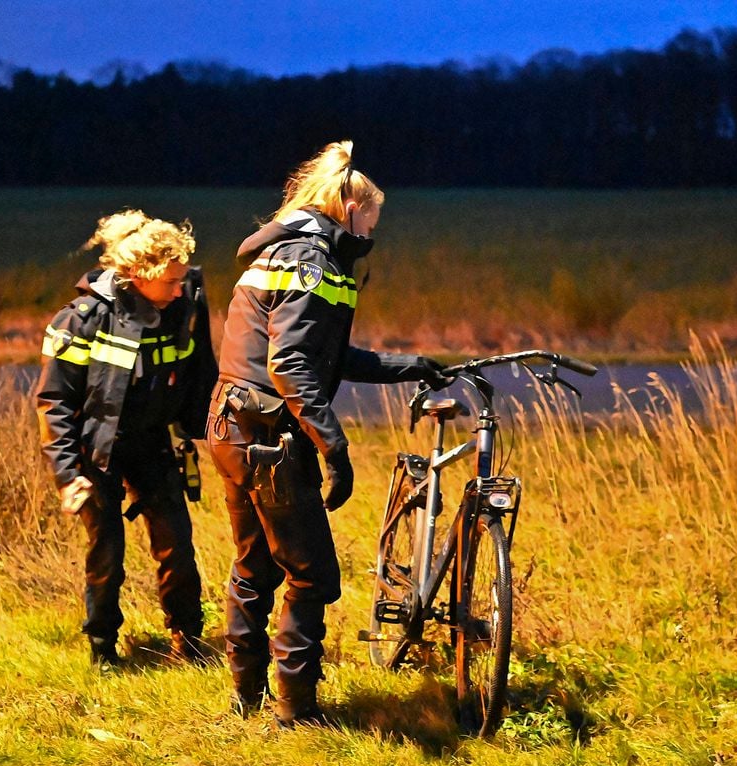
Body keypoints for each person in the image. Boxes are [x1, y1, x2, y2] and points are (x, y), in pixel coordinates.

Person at [207, 140, 445, 724]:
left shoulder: (291, 250)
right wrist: (334, 450)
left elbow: (325, 355)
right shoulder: (313, 262)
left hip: (234, 426)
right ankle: (298, 711)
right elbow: (291, 367)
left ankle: (246, 697)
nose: (374, 228)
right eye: (373, 216)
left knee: (253, 563)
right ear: (349, 206)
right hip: (269, 438)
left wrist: (407, 364)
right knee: (311, 575)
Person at [35, 209, 217, 670]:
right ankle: (102, 648)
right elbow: (53, 401)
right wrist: (67, 475)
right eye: (172, 281)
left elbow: (200, 375)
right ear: (139, 275)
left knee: (176, 543)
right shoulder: (82, 319)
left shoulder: (183, 307)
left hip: (153, 443)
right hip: (97, 449)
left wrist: (206, 429)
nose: (181, 288)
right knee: (107, 551)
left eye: (182, 279)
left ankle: (188, 639)